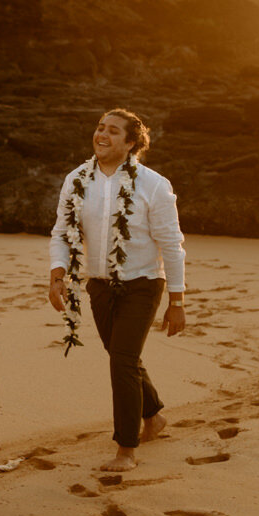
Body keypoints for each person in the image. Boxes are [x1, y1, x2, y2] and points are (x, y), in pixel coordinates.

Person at [49, 108, 185, 472]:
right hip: (100, 285)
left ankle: (127, 448)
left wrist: (177, 299)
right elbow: (62, 231)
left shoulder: (153, 184)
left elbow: (171, 243)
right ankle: (153, 415)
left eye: (112, 130)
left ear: (130, 143)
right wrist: (57, 275)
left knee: (122, 360)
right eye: (99, 128)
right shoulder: (77, 179)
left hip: (143, 283)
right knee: (122, 356)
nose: (102, 135)